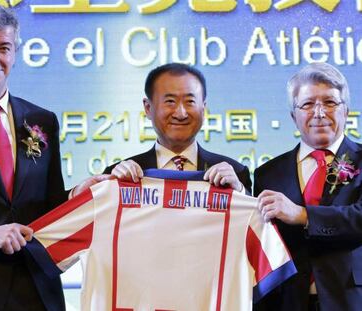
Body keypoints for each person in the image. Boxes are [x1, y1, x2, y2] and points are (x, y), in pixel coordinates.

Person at [0, 4, 106, 310]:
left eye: (3, 48)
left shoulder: (41, 120)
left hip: (36, 292)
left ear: (15, 53)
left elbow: (47, 205)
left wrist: (77, 196)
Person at [254, 63, 362, 311]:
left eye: (330, 102)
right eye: (307, 104)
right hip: (288, 301)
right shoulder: (267, 174)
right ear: (294, 116)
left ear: (346, 111)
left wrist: (302, 215)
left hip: (351, 300)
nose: (319, 112)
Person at [104, 63, 252, 193]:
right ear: (148, 108)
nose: (181, 113)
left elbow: (255, 221)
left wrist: (239, 192)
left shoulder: (235, 173)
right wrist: (111, 188)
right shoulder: (119, 175)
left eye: (190, 101)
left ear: (203, 108)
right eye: (170, 101)